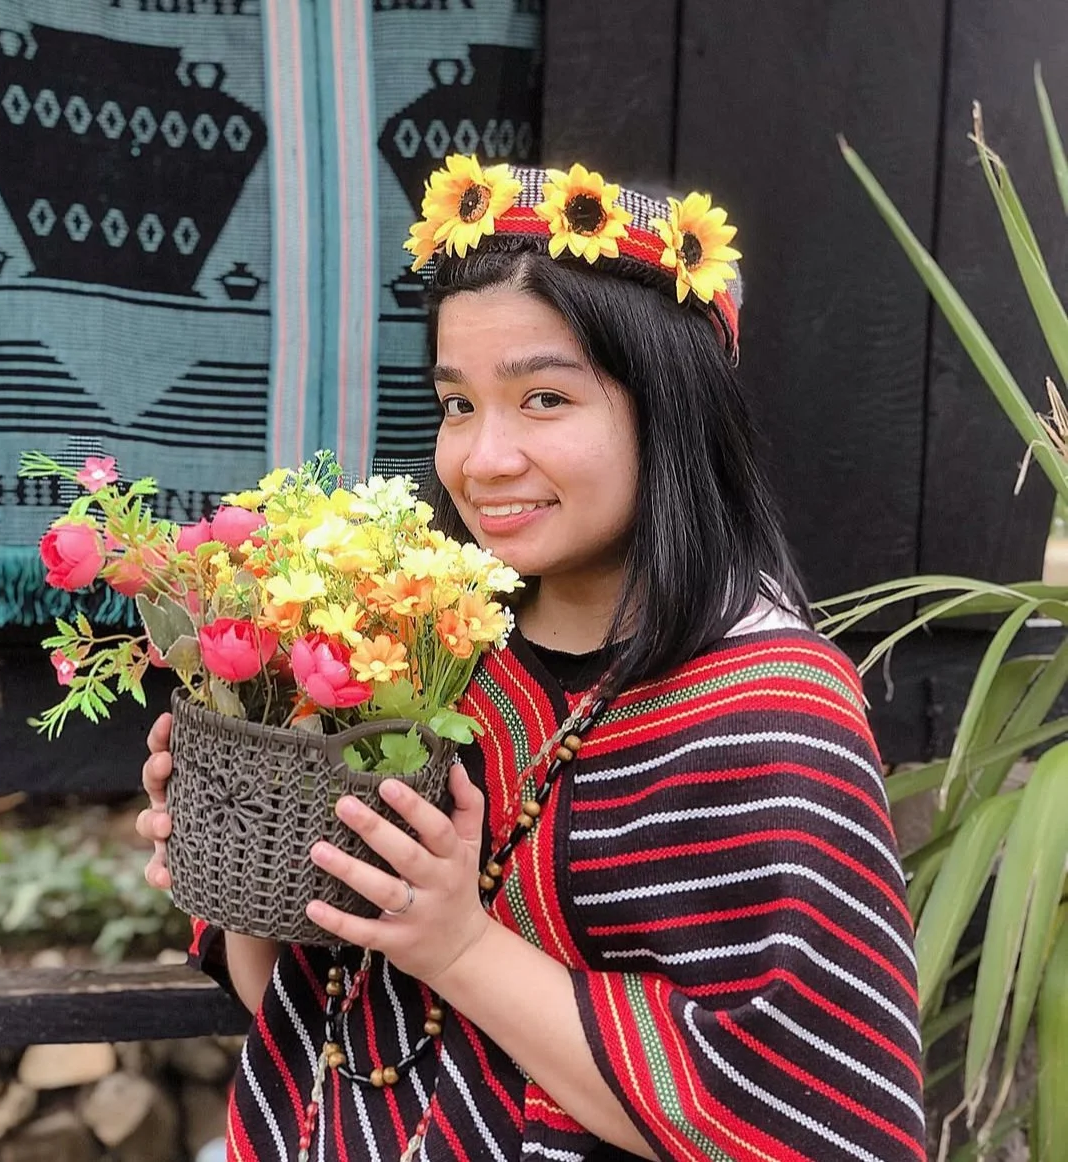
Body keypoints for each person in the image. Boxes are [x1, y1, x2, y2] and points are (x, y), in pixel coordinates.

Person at [137, 157, 925, 1162]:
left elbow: (803, 1116)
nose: (481, 458)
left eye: (544, 399)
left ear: (670, 412)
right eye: (458, 403)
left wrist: (459, 945)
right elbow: (317, 1019)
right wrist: (249, 857)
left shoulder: (770, 714)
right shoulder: (430, 664)